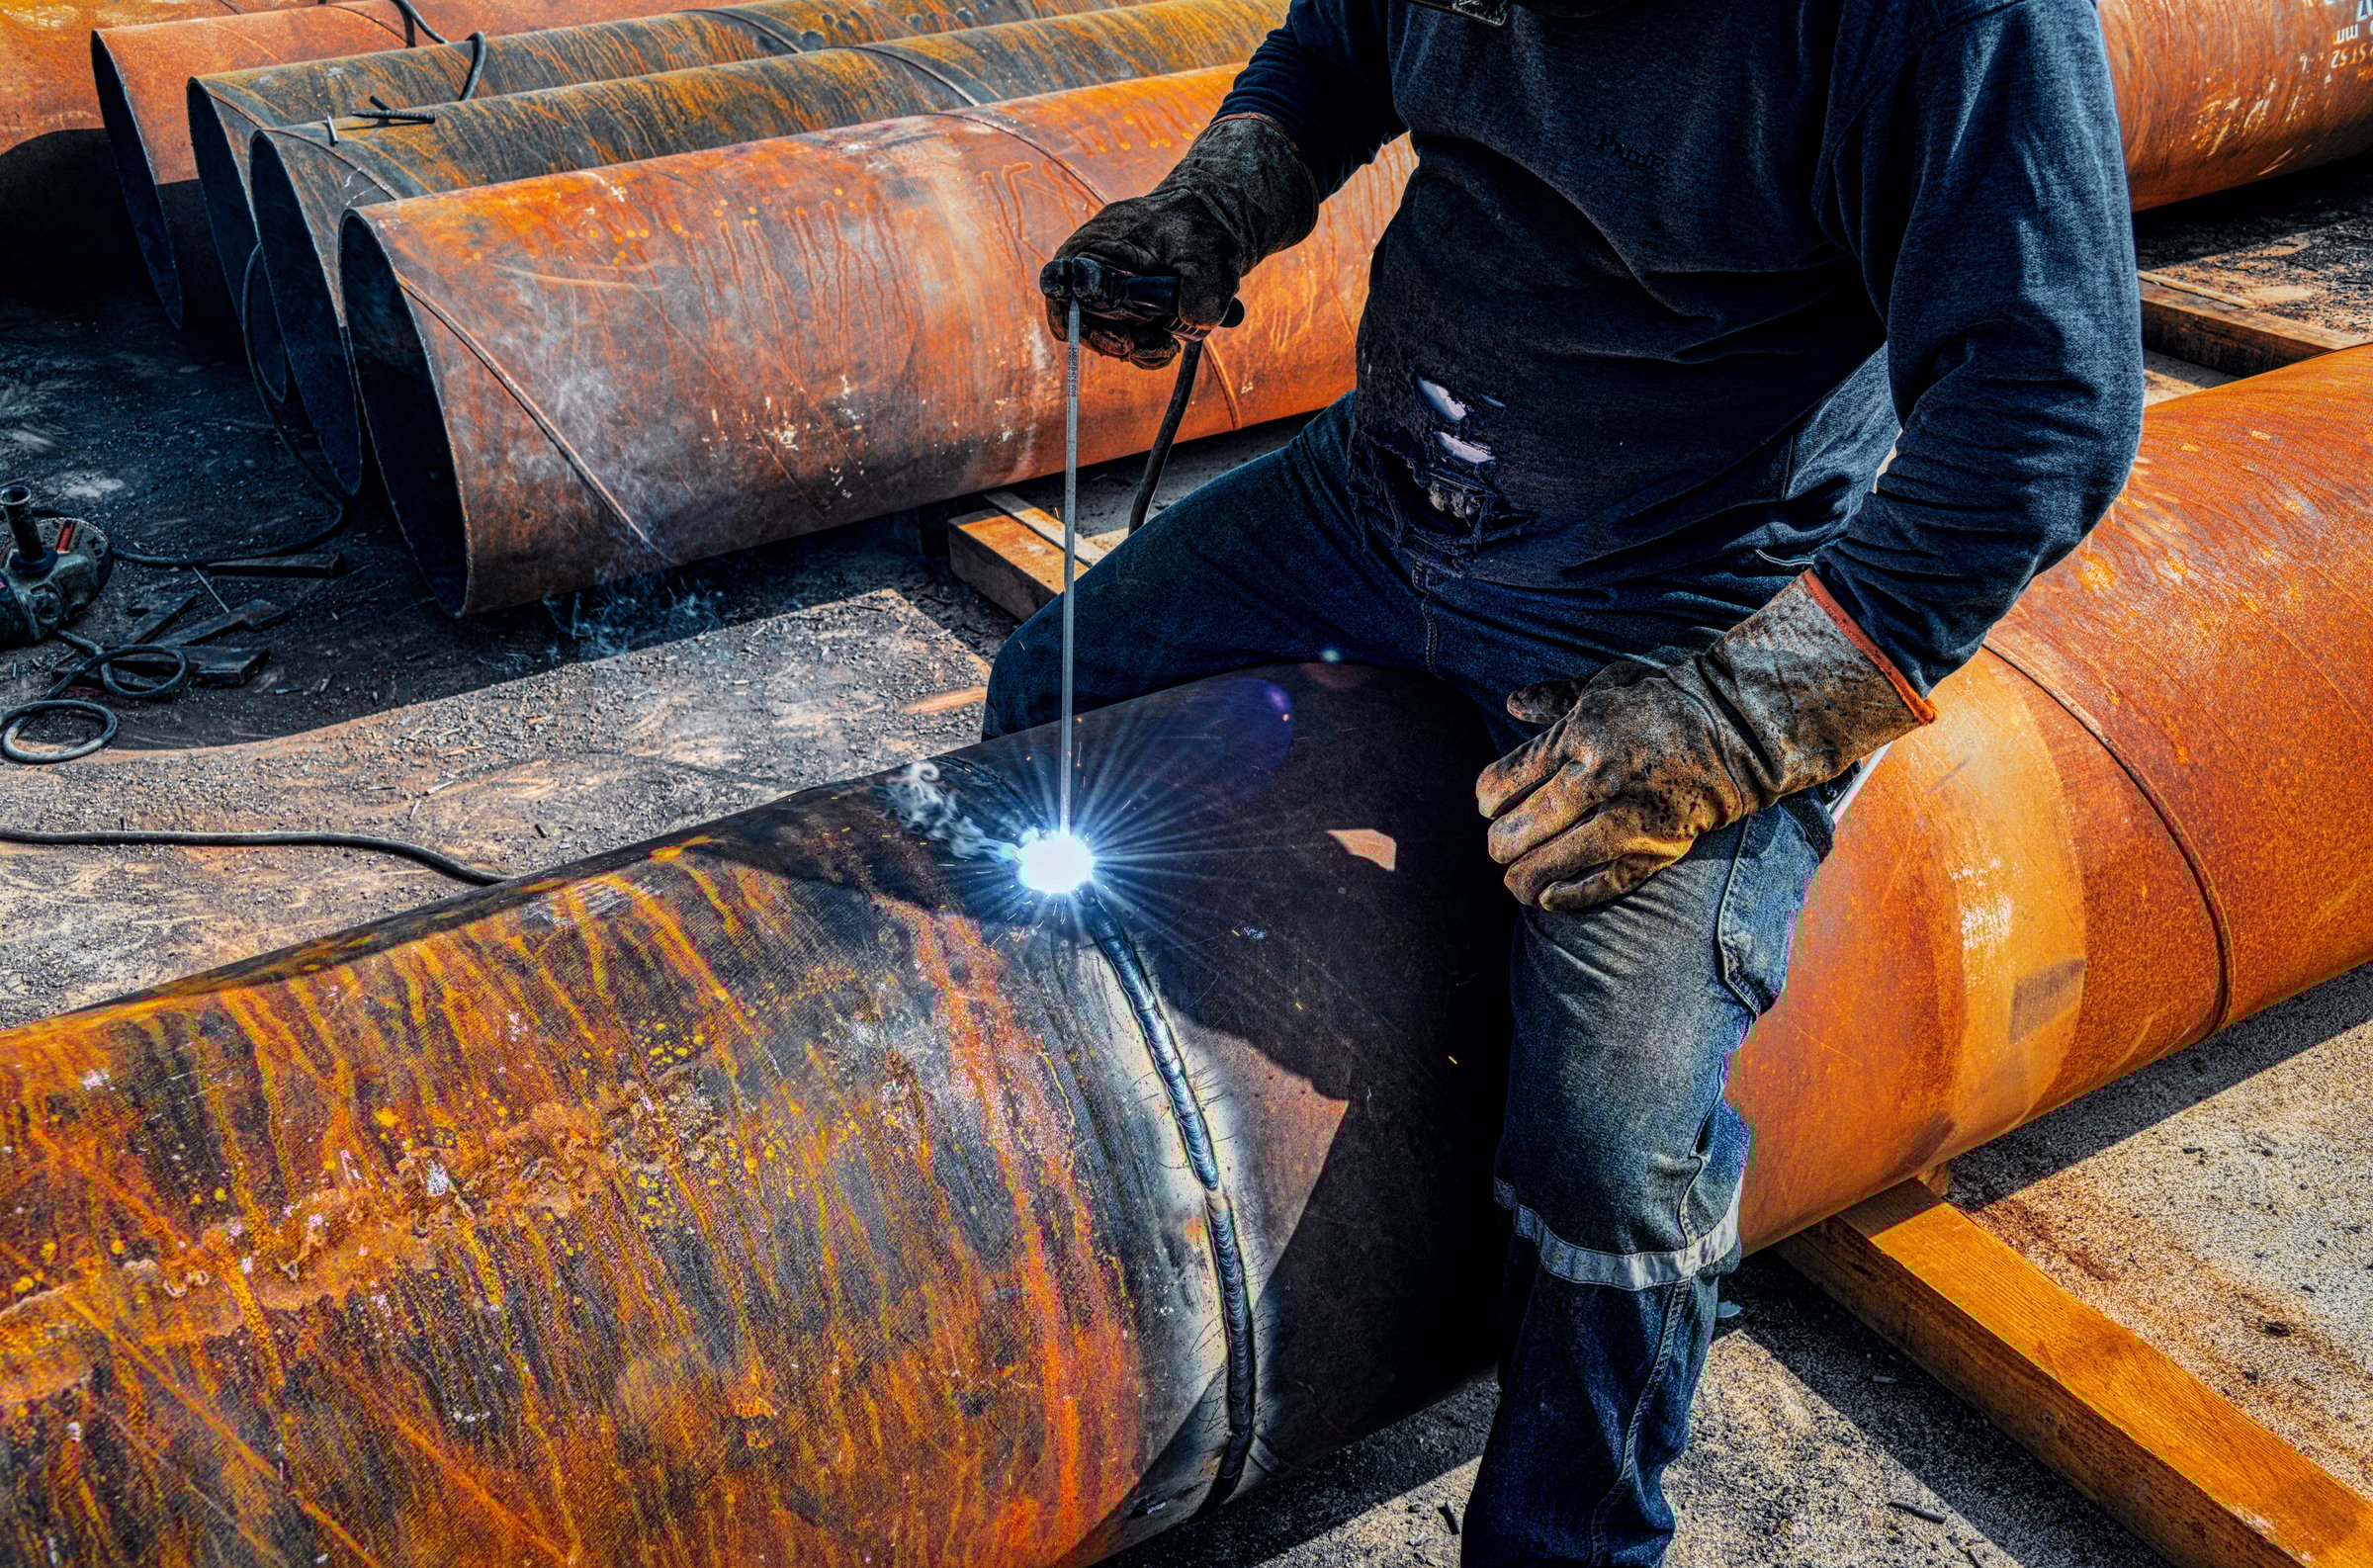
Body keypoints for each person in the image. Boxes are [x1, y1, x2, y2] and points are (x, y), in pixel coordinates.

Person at [982, 0, 2143, 1559]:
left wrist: (1736, 720)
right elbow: (1338, 52)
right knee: (1052, 693)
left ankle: (1566, 1538)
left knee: (1604, 1143)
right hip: (1382, 492)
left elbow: (2046, 407)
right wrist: (1216, 207)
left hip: (1680, 610)